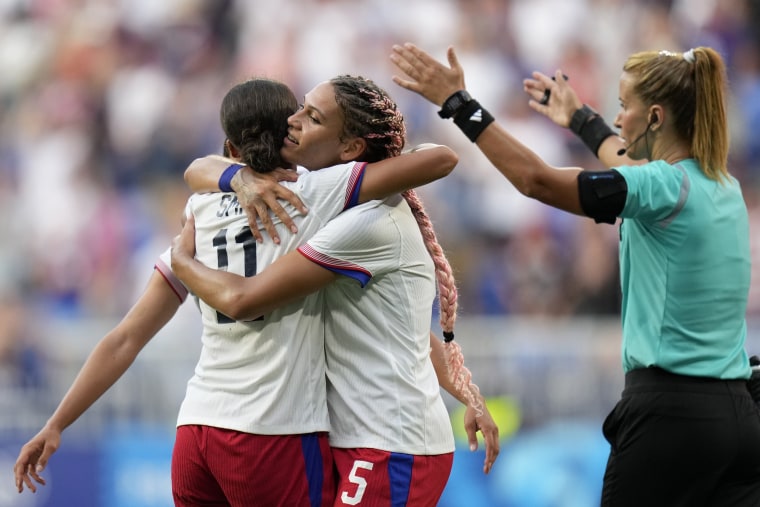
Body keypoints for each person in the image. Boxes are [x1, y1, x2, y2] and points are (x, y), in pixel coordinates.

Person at [13, 77, 466, 506]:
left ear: (230, 149)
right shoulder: (313, 194)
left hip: (197, 428)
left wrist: (56, 424)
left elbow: (125, 338)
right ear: (290, 138)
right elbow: (436, 160)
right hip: (272, 430)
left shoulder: (198, 214)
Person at [390, 43, 760, 505]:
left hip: (671, 421)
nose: (620, 118)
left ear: (657, 118)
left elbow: (537, 180)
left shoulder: (662, 188)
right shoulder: (719, 185)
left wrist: (460, 104)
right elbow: (627, 162)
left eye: (625, 107)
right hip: (739, 421)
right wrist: (579, 117)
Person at [172, 74, 499, 507]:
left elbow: (243, 299)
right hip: (353, 437)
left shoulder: (361, 223)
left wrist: (182, 263)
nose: (294, 121)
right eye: (300, 108)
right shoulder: (325, 203)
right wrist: (468, 392)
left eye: (313, 116)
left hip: (391, 442)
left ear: (349, 150)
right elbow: (410, 330)